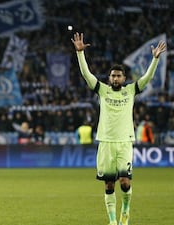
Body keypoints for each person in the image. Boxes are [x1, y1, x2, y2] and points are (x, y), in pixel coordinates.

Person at [71, 32, 166, 225]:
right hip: (105, 141)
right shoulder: (102, 90)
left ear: (124, 78)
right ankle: (113, 221)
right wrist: (80, 54)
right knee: (108, 184)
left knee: (125, 182)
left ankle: (126, 210)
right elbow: (86, 75)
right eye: (113, 76)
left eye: (119, 76)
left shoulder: (130, 90)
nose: (115, 79)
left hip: (124, 142)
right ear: (109, 78)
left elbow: (147, 78)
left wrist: (155, 59)